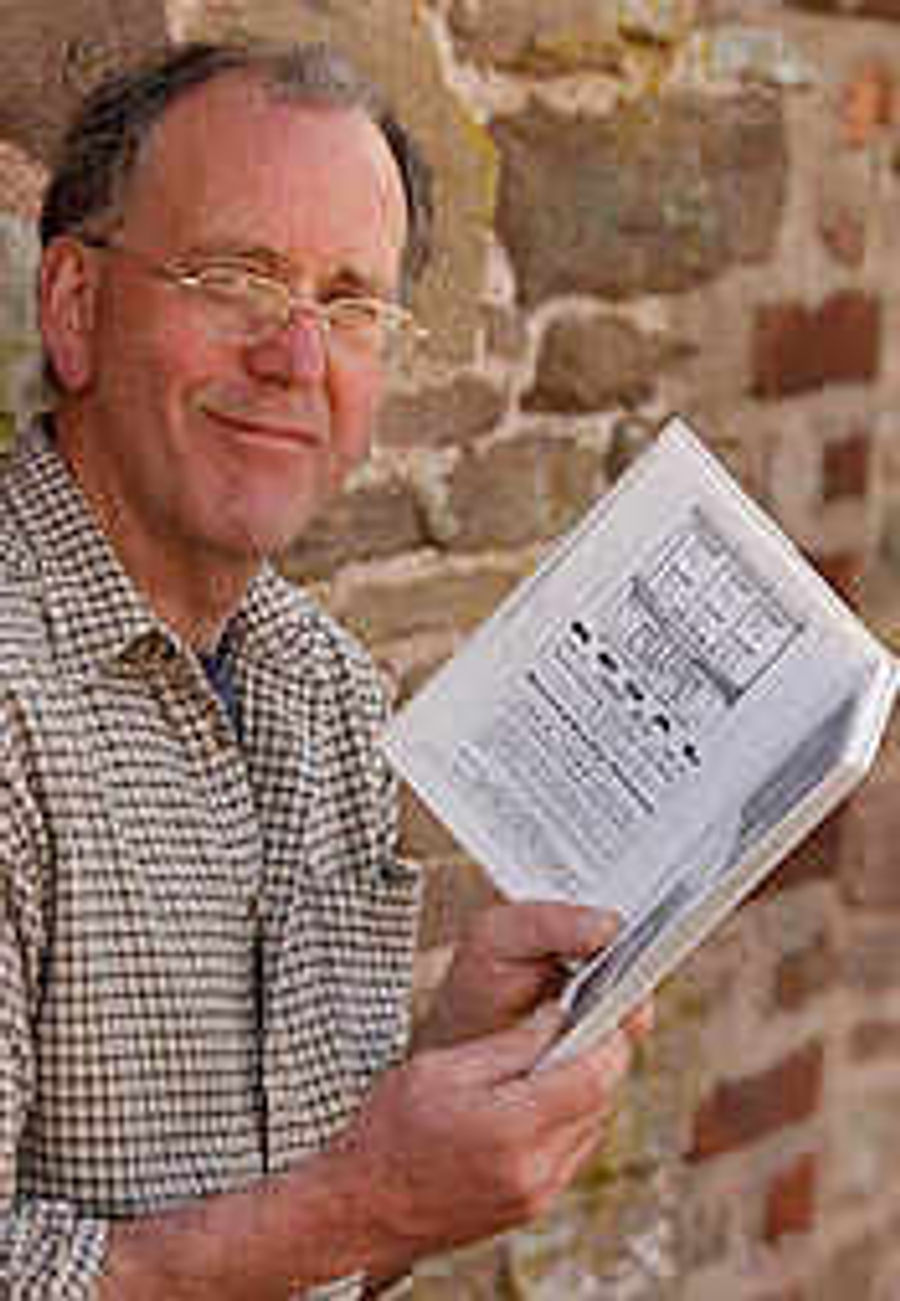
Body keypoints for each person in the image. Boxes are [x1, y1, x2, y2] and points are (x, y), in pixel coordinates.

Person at [0, 40, 651, 1300]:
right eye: (236, 278)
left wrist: (440, 1082)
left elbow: (306, 1241)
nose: (298, 359)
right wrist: (367, 1196)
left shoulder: (327, 688)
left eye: (350, 304)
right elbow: (328, 1214)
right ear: (74, 305)